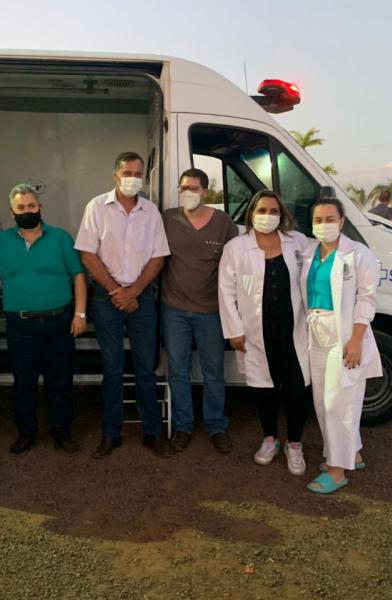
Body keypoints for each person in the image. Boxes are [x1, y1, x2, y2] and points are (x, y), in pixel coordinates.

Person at [75, 151, 171, 459]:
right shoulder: (97, 207)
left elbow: (159, 256)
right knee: (112, 368)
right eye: (127, 173)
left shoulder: (151, 212)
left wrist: (134, 292)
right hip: (107, 297)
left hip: (141, 297)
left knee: (146, 368)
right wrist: (118, 291)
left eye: (138, 173)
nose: (133, 178)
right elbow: (88, 254)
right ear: (115, 175)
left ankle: (152, 433)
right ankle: (111, 433)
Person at [218, 191, 311, 475]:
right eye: (262, 210)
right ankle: (269, 437)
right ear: (251, 213)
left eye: (273, 211)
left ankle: (294, 443)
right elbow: (226, 290)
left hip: (294, 327)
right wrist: (234, 330)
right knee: (263, 385)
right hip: (256, 329)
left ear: (282, 215)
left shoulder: (298, 242)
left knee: (296, 385)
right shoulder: (236, 247)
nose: (267, 216)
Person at [0, 184, 87, 456]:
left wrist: (80, 314)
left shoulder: (60, 238)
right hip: (21, 325)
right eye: (21, 207)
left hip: (59, 323)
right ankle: (26, 433)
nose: (27, 211)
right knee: (24, 384)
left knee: (61, 383)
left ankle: (62, 434)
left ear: (40, 208)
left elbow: (78, 275)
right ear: (12, 211)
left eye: (31, 206)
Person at [300, 196, 381, 494]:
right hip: (316, 331)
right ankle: (353, 452)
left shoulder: (358, 254)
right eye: (318, 220)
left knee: (339, 402)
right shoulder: (309, 253)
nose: (324, 225)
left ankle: (337, 470)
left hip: (344, 334)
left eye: (330, 219)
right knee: (323, 401)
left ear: (342, 221)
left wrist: (356, 339)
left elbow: (367, 298)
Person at [162, 168, 237, 454]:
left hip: (211, 311)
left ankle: (217, 426)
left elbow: (233, 265)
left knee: (213, 372)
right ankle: (183, 426)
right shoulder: (167, 219)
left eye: (194, 188)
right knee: (178, 372)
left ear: (206, 191)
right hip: (175, 311)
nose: (188, 193)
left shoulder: (223, 222)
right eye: (184, 188)